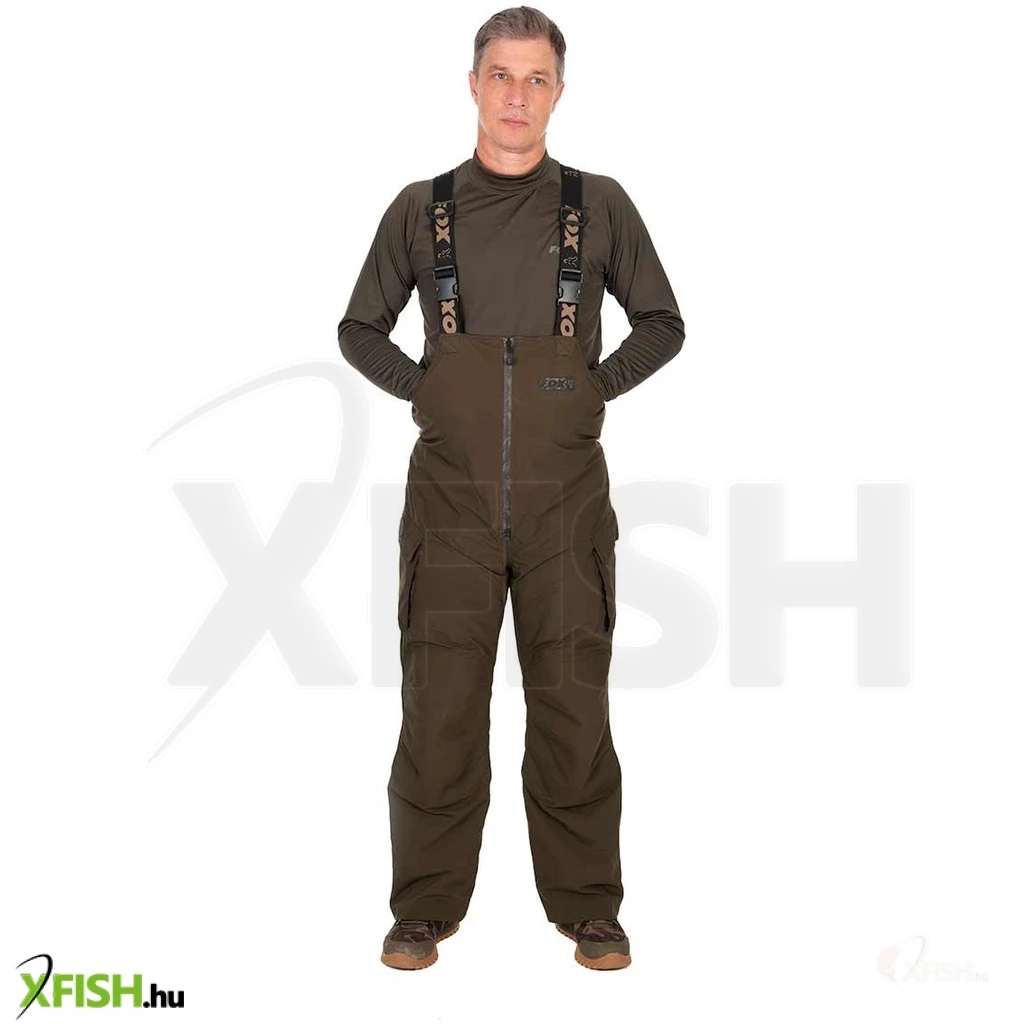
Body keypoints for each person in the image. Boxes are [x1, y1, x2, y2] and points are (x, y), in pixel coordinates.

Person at [337, 6, 684, 971]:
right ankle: (423, 910)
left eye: (537, 79)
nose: (517, 96)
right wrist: (430, 390)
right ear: (473, 84)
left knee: (573, 710)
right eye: (501, 75)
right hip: (447, 508)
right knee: (439, 711)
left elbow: (662, 321)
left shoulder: (599, 205)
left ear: (559, 93)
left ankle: (589, 908)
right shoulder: (421, 209)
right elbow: (359, 329)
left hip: (565, 506)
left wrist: (590, 390)